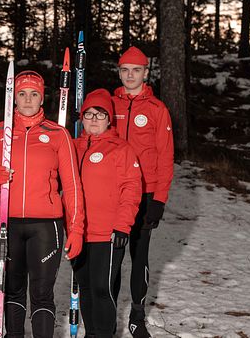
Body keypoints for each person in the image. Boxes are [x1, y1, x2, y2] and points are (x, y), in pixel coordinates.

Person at [0, 70, 85, 337]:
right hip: (6, 223)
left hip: (46, 226)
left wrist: (76, 228)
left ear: (42, 98)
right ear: (13, 97)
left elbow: (72, 185)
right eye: (22, 94)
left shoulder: (58, 134)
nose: (28, 100)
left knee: (42, 293)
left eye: (34, 94)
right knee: (11, 288)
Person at [111, 47, 174, 338]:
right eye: (125, 70)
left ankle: (137, 316)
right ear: (119, 71)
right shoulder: (109, 105)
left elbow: (165, 157)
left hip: (144, 195)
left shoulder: (157, 109)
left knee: (139, 256)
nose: (130, 75)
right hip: (111, 193)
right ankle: (107, 314)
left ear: (146, 73)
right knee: (109, 257)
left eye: (136, 70)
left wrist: (158, 200)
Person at [72, 88, 142, 338]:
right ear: (81, 117)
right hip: (79, 233)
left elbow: (132, 189)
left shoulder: (120, 149)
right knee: (86, 287)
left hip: (108, 234)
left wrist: (123, 225)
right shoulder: (71, 147)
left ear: (109, 119)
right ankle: (93, 333)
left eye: (100, 114)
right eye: (89, 114)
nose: (93, 119)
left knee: (103, 288)